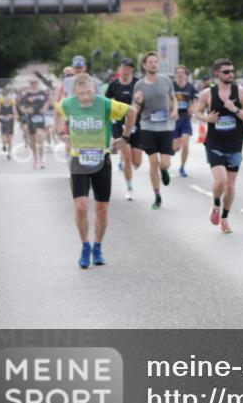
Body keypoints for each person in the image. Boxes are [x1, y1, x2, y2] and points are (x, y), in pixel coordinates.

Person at [55, 73, 139, 268]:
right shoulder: (68, 104)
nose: (86, 97)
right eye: (81, 93)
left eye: (89, 92)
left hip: (102, 159)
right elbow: (57, 112)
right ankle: (85, 246)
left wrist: (125, 137)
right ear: (74, 92)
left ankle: (98, 247)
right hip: (79, 160)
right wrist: (60, 134)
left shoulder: (105, 104)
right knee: (81, 206)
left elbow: (132, 112)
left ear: (95, 90)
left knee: (102, 209)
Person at [195, 58, 243, 233]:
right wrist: (208, 118)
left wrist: (234, 109)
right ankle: (215, 204)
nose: (230, 74)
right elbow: (197, 112)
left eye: (232, 71)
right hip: (214, 143)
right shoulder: (207, 93)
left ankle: (225, 219)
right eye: (226, 72)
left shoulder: (241, 92)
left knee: (230, 185)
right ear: (217, 74)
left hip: (235, 145)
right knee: (221, 180)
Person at [133, 52, 178, 210]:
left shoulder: (166, 80)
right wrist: (138, 102)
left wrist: (175, 110)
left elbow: (173, 98)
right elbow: (135, 108)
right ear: (144, 65)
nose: (153, 64)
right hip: (148, 127)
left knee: (164, 163)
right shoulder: (139, 85)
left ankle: (164, 171)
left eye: (155, 62)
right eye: (150, 62)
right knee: (153, 162)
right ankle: (157, 195)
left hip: (165, 127)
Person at [105, 58, 142, 200]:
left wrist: (139, 103)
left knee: (137, 163)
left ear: (132, 69)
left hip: (135, 124)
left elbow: (144, 103)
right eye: (125, 67)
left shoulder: (138, 84)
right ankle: (129, 187)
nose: (127, 69)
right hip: (119, 124)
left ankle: (126, 162)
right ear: (120, 68)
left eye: (129, 67)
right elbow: (106, 105)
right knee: (127, 156)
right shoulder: (113, 85)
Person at [17, 77, 51, 169]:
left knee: (40, 138)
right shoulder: (27, 94)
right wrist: (26, 110)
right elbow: (21, 106)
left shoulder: (42, 93)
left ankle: (42, 160)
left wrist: (44, 108)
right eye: (32, 82)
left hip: (40, 118)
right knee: (33, 140)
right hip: (30, 119)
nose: (34, 84)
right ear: (30, 84)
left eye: (35, 82)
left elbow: (48, 101)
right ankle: (36, 158)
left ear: (37, 83)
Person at [172, 64, 198, 177]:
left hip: (185, 118)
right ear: (175, 75)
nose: (180, 75)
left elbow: (195, 99)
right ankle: (172, 149)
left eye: (182, 73)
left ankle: (182, 167)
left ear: (185, 75)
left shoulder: (190, 87)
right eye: (178, 73)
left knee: (185, 144)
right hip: (174, 119)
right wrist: (172, 110)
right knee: (175, 148)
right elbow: (166, 99)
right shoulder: (171, 86)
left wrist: (193, 107)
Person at [0, 89, 17, 155]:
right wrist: (0, 117)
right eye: (5, 98)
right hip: (3, 124)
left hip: (10, 124)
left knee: (10, 140)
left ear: (9, 99)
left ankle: (9, 153)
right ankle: (4, 144)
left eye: (7, 98)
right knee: (4, 139)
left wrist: (11, 116)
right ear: (3, 99)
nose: (6, 99)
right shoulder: (0, 106)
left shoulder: (12, 106)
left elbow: (16, 115)